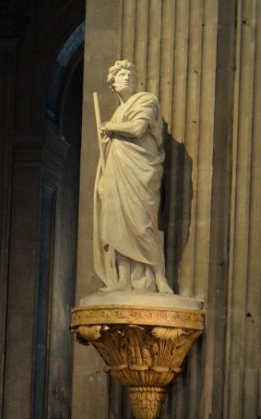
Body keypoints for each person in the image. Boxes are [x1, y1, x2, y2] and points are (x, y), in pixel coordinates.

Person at [94, 59, 173, 293]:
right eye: (121, 75)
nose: (126, 77)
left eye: (130, 74)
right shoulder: (118, 113)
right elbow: (106, 155)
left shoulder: (146, 100)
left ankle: (160, 278)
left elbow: (138, 129)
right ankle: (123, 280)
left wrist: (111, 128)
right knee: (118, 226)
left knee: (141, 226)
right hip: (116, 173)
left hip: (140, 171)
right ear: (113, 85)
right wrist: (102, 180)